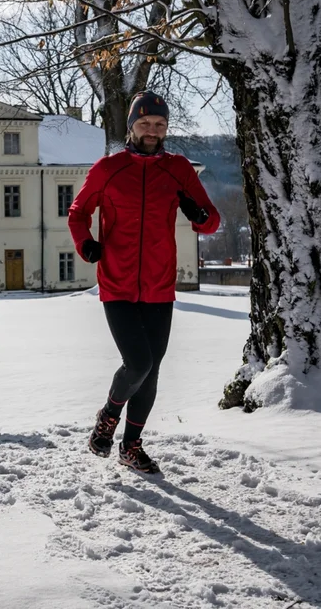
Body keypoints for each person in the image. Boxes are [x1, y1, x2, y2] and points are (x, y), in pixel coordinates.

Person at [69, 91, 220, 474]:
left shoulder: (178, 168)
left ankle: (131, 446)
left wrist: (197, 212)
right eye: (145, 123)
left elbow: (211, 222)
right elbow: (77, 212)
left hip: (159, 284)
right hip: (116, 282)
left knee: (152, 371)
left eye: (160, 125)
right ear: (132, 125)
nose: (152, 130)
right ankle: (108, 416)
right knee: (138, 363)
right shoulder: (108, 168)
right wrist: (85, 242)